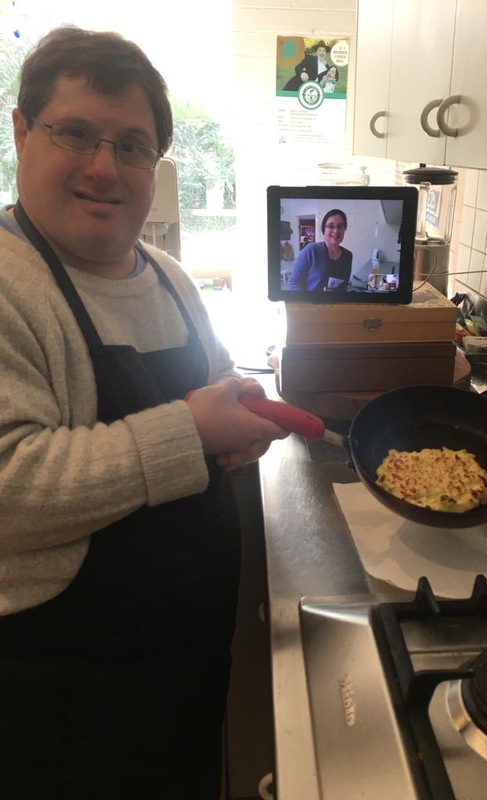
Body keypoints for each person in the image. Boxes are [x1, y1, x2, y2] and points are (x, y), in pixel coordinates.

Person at [0, 25, 289, 800]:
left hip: (184, 661)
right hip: (60, 692)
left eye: (132, 145)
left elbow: (216, 376)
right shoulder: (7, 284)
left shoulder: (167, 275)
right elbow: (8, 489)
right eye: (77, 134)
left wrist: (246, 416)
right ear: (23, 132)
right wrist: (194, 432)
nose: (104, 167)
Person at [287, 209, 353, 291]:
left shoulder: (348, 256)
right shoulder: (311, 251)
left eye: (340, 226)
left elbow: (344, 286)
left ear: (344, 230)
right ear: (323, 230)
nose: (336, 231)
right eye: (331, 226)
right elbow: (293, 283)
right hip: (311, 302)